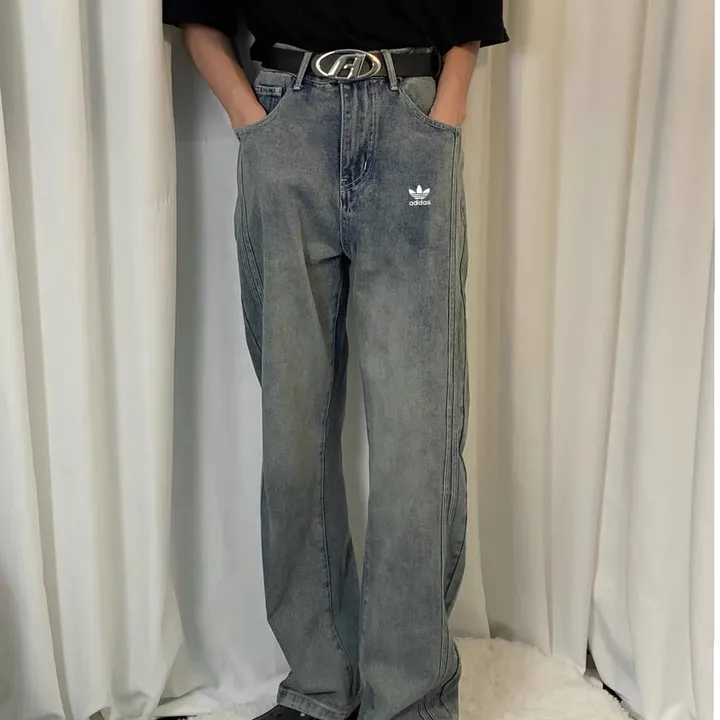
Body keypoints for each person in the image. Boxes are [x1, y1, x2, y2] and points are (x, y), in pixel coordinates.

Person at [162, 3, 507, 720]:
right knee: (294, 432)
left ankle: (409, 698)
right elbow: (200, 18)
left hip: (410, 123)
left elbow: (471, 16)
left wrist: (443, 115)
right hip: (285, 122)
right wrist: (253, 124)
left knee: (418, 434)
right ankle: (319, 686)